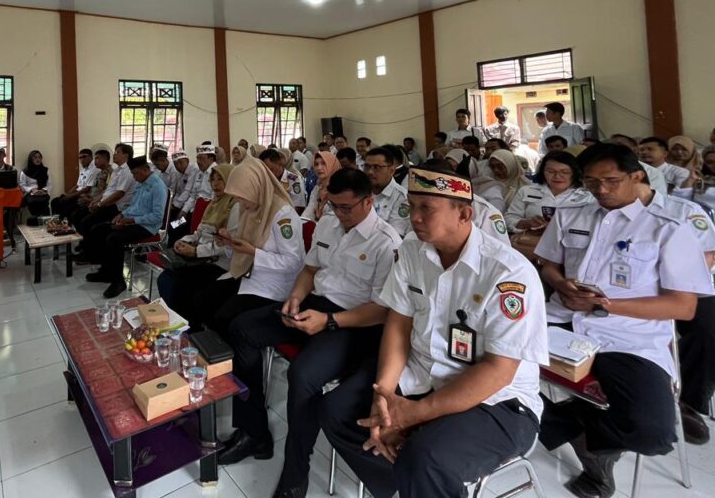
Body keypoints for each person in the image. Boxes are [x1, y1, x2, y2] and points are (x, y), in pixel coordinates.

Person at [320, 165, 548, 498]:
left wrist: (413, 414)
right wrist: (384, 396)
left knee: (425, 458)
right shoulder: (412, 250)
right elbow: (399, 324)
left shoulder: (508, 273)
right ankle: (403, 483)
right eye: (411, 206)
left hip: (498, 400)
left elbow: (498, 371)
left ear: (464, 214)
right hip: (422, 372)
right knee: (336, 411)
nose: (414, 217)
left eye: (426, 208)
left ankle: (417, 476)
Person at [536, 143, 714, 498]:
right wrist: (560, 283)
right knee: (487, 367)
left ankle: (583, 432)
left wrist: (605, 306)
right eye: (591, 182)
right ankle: (562, 427)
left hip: (627, 335)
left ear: (637, 176)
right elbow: (549, 264)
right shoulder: (571, 213)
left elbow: (683, 307)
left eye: (611, 181)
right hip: (561, 320)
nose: (600, 190)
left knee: (653, 432)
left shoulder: (670, 225)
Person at [220, 169, 401, 495]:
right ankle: (254, 432)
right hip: (314, 306)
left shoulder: (386, 242)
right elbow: (309, 269)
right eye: (333, 205)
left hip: (353, 324)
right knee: (242, 328)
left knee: (303, 375)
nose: (339, 214)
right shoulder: (329, 223)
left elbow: (381, 311)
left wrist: (328, 321)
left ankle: (295, 474)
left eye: (346, 207)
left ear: (368, 202)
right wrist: (295, 297)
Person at [630, 171, 715, 445]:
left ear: (638, 178)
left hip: (686, 286)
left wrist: (667, 282)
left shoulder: (684, 210)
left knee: (708, 328)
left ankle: (688, 401)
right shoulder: (602, 212)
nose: (604, 189)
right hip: (629, 289)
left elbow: (708, 255)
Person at [189, 156, 304, 338]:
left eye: (243, 198)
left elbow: (293, 262)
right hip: (246, 273)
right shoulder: (250, 208)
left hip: (272, 284)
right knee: (202, 300)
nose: (241, 204)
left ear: (255, 187)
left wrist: (253, 252)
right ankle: (207, 345)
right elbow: (240, 249)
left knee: (225, 317)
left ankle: (226, 352)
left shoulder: (283, 215)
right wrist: (229, 243)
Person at [156, 165, 238, 327]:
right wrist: (184, 241)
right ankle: (177, 323)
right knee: (165, 278)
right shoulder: (213, 203)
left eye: (220, 179)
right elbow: (199, 232)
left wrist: (195, 251)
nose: (215, 184)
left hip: (218, 261)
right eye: (212, 180)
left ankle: (189, 326)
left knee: (180, 286)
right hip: (196, 247)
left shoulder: (235, 206)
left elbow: (229, 245)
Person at [82, 156, 168, 298]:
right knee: (98, 230)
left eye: (136, 174)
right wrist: (122, 215)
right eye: (132, 174)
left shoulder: (158, 187)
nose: (134, 177)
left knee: (114, 238)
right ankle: (106, 272)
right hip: (132, 221)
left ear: (145, 170)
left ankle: (118, 282)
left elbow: (157, 217)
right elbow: (133, 206)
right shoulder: (141, 183)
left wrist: (131, 220)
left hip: (147, 227)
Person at [504, 151, 593, 257]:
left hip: (570, 252)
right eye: (551, 171)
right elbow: (508, 219)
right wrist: (528, 223)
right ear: (543, 171)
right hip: (531, 247)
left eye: (565, 172)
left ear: (574, 173)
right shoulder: (527, 191)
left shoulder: (588, 196)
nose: (557, 176)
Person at [74, 143, 135, 237]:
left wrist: (100, 204)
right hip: (106, 202)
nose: (114, 154)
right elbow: (107, 190)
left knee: (86, 222)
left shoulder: (127, 171)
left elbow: (119, 194)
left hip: (116, 206)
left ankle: (87, 244)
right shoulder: (117, 170)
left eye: (117, 152)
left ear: (126, 155)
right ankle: (82, 242)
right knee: (79, 215)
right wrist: (95, 201)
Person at [363, 147, 412, 238]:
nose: (370, 172)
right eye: (367, 166)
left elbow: (395, 235)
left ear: (392, 170)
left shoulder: (401, 197)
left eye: (377, 167)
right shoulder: (360, 191)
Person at [477, 149, 529, 214]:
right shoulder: (487, 183)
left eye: (500, 166)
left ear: (510, 165)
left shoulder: (525, 187)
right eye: (492, 167)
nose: (496, 170)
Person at [51, 148, 99, 218]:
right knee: (55, 201)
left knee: (65, 209)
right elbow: (77, 185)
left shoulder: (94, 169)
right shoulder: (83, 169)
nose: (82, 160)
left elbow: (87, 188)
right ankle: (55, 221)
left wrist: (71, 196)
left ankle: (62, 222)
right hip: (77, 194)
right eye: (80, 158)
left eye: (84, 157)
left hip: (83, 196)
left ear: (91, 157)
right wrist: (67, 194)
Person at [258, 148, 307, 213]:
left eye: (271, 169)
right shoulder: (264, 179)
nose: (267, 173)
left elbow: (299, 207)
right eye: (264, 170)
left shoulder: (294, 180)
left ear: (280, 164)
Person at [302, 151, 342, 221]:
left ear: (332, 165)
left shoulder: (340, 190)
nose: (319, 168)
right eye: (316, 164)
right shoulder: (317, 188)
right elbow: (308, 212)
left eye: (324, 163)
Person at [18, 150, 53, 222]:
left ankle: (46, 222)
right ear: (31, 159)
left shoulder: (45, 170)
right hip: (30, 193)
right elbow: (22, 185)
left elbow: (49, 184)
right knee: (33, 202)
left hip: (43, 192)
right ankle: (37, 221)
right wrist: (32, 190)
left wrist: (43, 190)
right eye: (35, 157)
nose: (38, 159)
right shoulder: (25, 172)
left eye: (39, 157)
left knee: (44, 202)